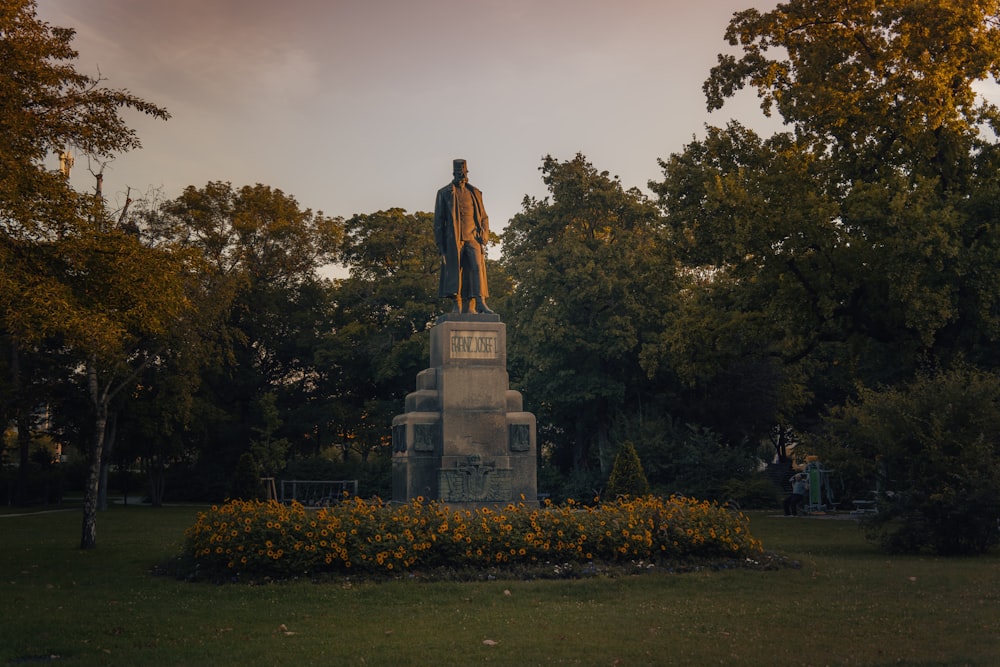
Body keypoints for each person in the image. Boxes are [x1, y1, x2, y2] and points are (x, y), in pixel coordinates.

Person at [434, 159, 493, 314]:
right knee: (456, 270)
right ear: (454, 173)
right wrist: (441, 247)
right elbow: (439, 221)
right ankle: (457, 303)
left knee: (476, 268)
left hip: (473, 238)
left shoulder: (475, 192)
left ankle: (479, 302)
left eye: (464, 172)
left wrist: (485, 234)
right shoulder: (444, 193)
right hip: (454, 239)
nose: (462, 175)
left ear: (467, 172)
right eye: (459, 172)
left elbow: (484, 217)